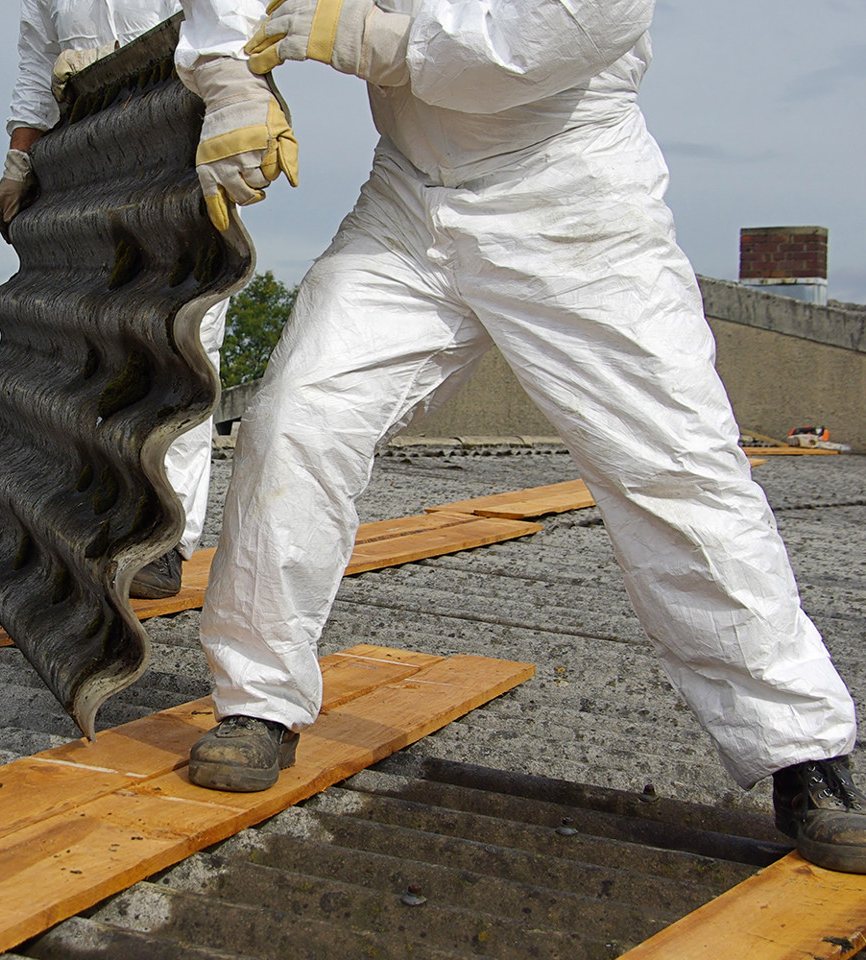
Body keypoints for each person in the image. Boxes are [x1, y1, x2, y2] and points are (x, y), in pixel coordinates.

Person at [174, 0, 866, 873]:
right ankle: (258, 702)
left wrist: (363, 36)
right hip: (409, 201)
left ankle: (802, 752)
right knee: (295, 420)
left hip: (571, 200)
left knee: (674, 470)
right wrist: (230, 78)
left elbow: (534, 43)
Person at [0, 0, 231, 599]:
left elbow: (227, 22)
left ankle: (166, 537)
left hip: (180, 138)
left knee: (182, 340)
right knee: (90, 340)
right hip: (90, 155)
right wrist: (21, 156)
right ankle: (95, 515)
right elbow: (37, 59)